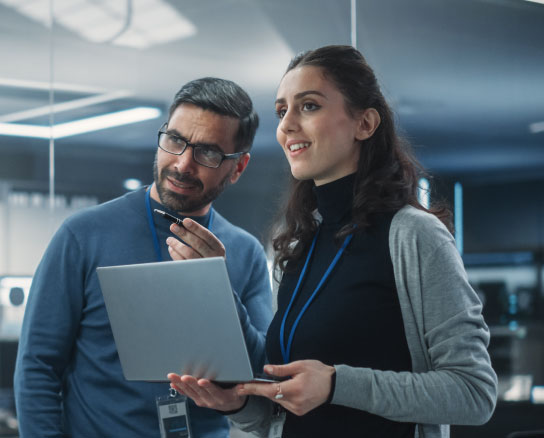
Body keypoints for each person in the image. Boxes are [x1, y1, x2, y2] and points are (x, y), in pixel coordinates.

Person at [167, 45, 497, 437]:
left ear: (365, 123)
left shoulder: (414, 235)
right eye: (281, 110)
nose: (286, 125)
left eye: (308, 106)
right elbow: (281, 411)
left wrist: (338, 384)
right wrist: (237, 402)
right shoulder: (300, 244)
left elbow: (475, 392)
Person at [14, 77, 273, 437]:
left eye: (208, 153)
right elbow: (37, 366)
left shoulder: (244, 252)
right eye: (175, 141)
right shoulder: (83, 235)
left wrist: (215, 286)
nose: (183, 164)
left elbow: (263, 375)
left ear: (238, 167)